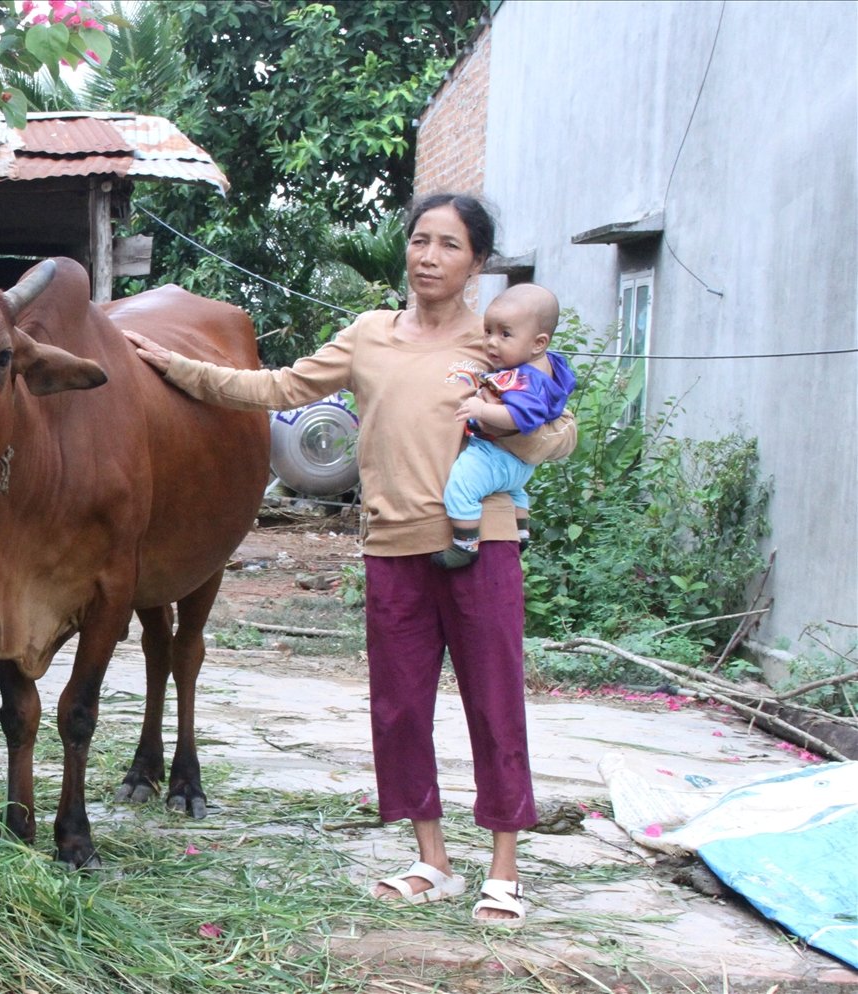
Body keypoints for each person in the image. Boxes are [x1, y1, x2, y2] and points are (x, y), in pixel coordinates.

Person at [122, 193, 576, 925]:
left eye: (449, 246)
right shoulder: (369, 334)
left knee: (495, 704)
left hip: (480, 546)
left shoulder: (495, 343)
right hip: (393, 546)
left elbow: (560, 431)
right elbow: (278, 388)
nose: (429, 257)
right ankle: (433, 861)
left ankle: (505, 869)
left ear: (477, 263)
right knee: (399, 710)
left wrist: (505, 425)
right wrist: (177, 368)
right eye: (420, 240)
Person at [431, 283, 577, 569]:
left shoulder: (524, 378)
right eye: (488, 332)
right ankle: (521, 531)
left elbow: (521, 418)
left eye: (505, 334)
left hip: (496, 456)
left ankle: (464, 544)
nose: (492, 343)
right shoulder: (548, 367)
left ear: (538, 343)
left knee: (461, 485)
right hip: (520, 469)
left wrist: (482, 409)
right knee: (516, 492)